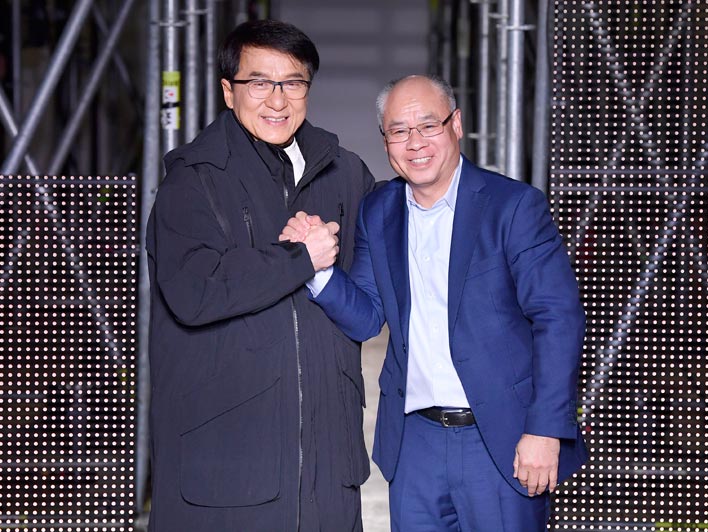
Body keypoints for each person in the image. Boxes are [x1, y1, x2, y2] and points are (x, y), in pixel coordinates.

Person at [281, 75, 589, 531]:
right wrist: (318, 269)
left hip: (501, 439)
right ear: (385, 141)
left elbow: (558, 318)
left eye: (428, 125)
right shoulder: (378, 210)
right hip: (415, 442)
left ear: (456, 124)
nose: (415, 142)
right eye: (399, 131)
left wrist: (545, 429)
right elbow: (367, 316)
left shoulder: (513, 206)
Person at [145, 19, 375, 532]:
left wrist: (325, 274)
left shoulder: (347, 173)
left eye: (293, 82)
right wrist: (300, 259)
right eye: (258, 82)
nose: (278, 99)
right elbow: (194, 292)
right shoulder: (194, 179)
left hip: (327, 469)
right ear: (229, 92)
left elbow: (369, 310)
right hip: (226, 472)